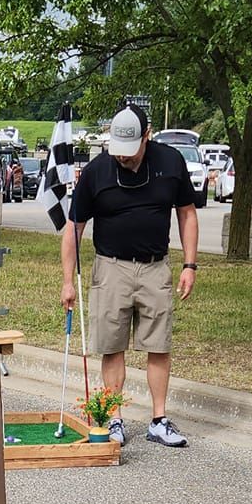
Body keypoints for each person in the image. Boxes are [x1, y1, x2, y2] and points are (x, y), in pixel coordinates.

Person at [61, 101, 198, 449]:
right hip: (111, 267)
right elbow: (74, 227)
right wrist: (66, 280)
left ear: (146, 136)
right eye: (118, 151)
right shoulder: (96, 172)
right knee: (112, 345)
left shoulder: (171, 162)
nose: (123, 158)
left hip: (156, 266)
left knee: (159, 344)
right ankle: (115, 419)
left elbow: (186, 213)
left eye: (130, 151)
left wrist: (190, 264)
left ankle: (158, 419)